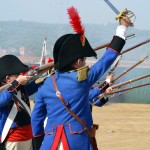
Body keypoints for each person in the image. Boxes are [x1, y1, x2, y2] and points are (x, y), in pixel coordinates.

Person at [31, 7, 131, 150]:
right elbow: (107, 59)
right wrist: (122, 28)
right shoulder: (82, 79)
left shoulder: (45, 83)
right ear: (78, 62)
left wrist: (38, 143)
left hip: (49, 143)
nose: (85, 64)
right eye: (84, 60)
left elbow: (37, 119)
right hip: (76, 142)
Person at [0, 55, 39, 150]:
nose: (20, 76)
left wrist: (42, 74)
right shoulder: (3, 91)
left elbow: (38, 84)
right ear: (8, 78)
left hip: (28, 135)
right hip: (13, 138)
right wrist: (16, 82)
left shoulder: (21, 88)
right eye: (17, 74)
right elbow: (3, 100)